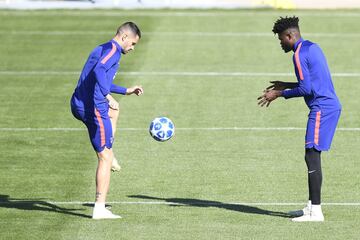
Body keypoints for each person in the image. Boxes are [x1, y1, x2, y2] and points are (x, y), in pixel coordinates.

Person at [257, 16, 341, 222]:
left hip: (322, 108)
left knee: (312, 155)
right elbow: (312, 81)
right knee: (311, 155)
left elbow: (306, 88)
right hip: (328, 105)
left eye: (280, 40)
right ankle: (311, 206)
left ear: (289, 35)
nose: (280, 44)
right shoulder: (312, 47)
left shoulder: (298, 54)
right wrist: (284, 84)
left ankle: (316, 212)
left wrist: (278, 94)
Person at [70, 22, 144, 219]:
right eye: (133, 44)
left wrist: (122, 91)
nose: (132, 48)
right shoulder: (114, 51)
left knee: (114, 111)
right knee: (105, 157)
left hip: (79, 101)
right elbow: (99, 71)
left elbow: (93, 75)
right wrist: (104, 94)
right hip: (93, 107)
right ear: (124, 37)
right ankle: (99, 208)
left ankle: (110, 152)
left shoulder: (102, 47)